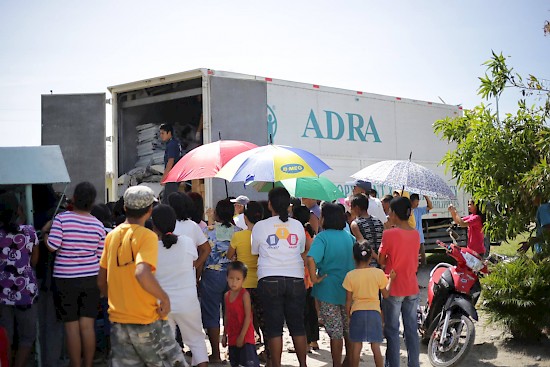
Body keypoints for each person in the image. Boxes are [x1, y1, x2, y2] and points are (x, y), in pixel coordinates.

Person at [97, 185, 186, 366]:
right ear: (150, 210)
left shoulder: (111, 236)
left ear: (125, 208)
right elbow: (142, 272)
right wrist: (164, 298)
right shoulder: (148, 236)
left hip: (119, 320)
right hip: (146, 319)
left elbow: (101, 280)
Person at [46, 182, 106, 367]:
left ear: (74, 199)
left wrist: (45, 231)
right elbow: (100, 256)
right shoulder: (98, 225)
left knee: (71, 326)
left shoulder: (62, 219)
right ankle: (88, 364)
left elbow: (52, 246)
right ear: (92, 202)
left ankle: (75, 364)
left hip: (65, 280)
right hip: (90, 279)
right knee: (87, 326)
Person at [251, 187, 307, 367]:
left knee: (274, 328)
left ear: (269, 205)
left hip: (269, 278)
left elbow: (255, 252)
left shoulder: (260, 226)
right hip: (296, 278)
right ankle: (303, 364)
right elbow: (301, 249)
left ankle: (275, 364)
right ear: (289, 206)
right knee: (297, 326)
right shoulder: (297, 225)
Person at [152, 204, 208, 367]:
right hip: (187, 300)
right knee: (197, 342)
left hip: (162, 304)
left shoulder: (152, 248)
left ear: (154, 226)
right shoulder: (187, 242)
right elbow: (192, 263)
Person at [307, 203, 355, 367]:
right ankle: (349, 361)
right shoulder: (349, 237)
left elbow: (311, 258)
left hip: (328, 291)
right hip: (349, 291)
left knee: (335, 333)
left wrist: (314, 279)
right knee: (348, 331)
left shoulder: (322, 237)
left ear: (325, 219)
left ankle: (336, 364)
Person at [378, 197, 420, 367]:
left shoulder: (389, 234)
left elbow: (381, 260)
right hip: (411, 286)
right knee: (411, 331)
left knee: (392, 331)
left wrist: (387, 232)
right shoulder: (415, 234)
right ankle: (414, 364)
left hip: (393, 287)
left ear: (394, 213)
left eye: (389, 210)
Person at [0, 191, 39, 367]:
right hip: (25, 291)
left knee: (5, 335)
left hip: (2, 291)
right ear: (18, 210)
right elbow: (34, 261)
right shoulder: (29, 232)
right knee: (27, 336)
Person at [201, 198, 241, 363]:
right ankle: (233, 352)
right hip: (233, 275)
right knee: (232, 313)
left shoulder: (208, 231)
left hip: (211, 275)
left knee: (212, 314)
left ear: (216, 214)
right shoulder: (238, 231)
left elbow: (202, 253)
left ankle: (216, 354)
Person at [343, 242, 396, 367]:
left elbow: (348, 301)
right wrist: (391, 280)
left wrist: (348, 315)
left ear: (354, 256)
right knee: (375, 346)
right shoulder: (378, 273)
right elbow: (386, 294)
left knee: (356, 346)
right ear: (371, 256)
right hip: (374, 313)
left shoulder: (350, 275)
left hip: (357, 312)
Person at [227, 201, 264, 346]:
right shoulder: (264, 235)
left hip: (243, 283)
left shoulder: (239, 236)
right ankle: (262, 342)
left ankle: (248, 341)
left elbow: (230, 255)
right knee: (261, 316)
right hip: (260, 280)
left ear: (245, 218)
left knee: (243, 317)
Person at [292, 205, 319, 352]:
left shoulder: (300, 231)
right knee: (310, 308)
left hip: (302, 275)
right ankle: (313, 340)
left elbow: (309, 249)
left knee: (303, 310)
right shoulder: (308, 230)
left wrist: (300, 257)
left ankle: (306, 342)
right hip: (308, 274)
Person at [222, 261, 260, 367]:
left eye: (238, 279)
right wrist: (225, 334)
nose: (234, 282)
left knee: (248, 363)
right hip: (233, 335)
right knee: (235, 362)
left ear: (243, 280)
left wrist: (242, 336)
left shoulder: (244, 295)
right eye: (231, 278)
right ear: (226, 278)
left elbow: (248, 316)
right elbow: (226, 316)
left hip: (245, 336)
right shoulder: (226, 295)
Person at [167, 192, 211, 280]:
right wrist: (195, 266)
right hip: (188, 276)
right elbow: (206, 249)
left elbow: (206, 249)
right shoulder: (193, 226)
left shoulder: (168, 225)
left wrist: (195, 266)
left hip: (170, 274)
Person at [349, 194, 384, 267]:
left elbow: (364, 245)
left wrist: (377, 258)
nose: (350, 210)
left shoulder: (355, 224)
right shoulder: (378, 221)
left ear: (357, 208)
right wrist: (380, 260)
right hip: (381, 264)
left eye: (351, 207)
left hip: (367, 264)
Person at [160, 123, 183, 204]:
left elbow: (170, 161)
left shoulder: (171, 145)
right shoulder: (174, 143)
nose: (161, 136)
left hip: (172, 177)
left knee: (169, 201)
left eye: (163, 133)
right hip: (175, 176)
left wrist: (164, 177)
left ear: (169, 133)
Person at [410, 194, 433, 266]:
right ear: (411, 202)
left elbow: (430, 207)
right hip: (410, 239)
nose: (418, 204)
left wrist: (426, 196)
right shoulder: (407, 211)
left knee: (422, 259)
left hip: (420, 239)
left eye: (418, 202)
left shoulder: (418, 210)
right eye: (416, 202)